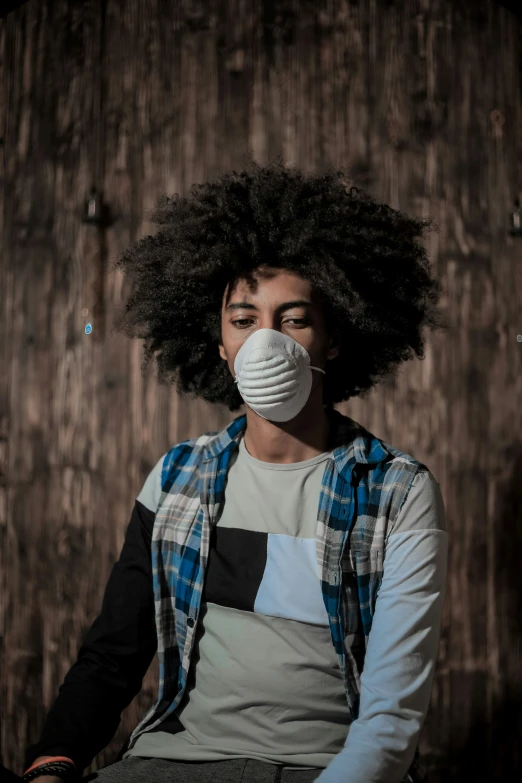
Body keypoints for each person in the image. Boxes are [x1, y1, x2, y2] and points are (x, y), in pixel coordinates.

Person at [22, 158, 449, 783]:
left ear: (333, 337)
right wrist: (51, 765)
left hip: (322, 769)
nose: (266, 341)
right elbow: (112, 655)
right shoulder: (175, 480)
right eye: (244, 320)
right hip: (173, 762)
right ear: (220, 344)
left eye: (294, 318)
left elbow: (390, 719)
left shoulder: (400, 493)